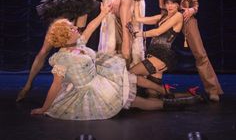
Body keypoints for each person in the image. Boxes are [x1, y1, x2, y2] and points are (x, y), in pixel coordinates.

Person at [31, 16, 198, 120]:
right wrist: (44, 108)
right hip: (94, 91)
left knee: (132, 81)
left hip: (101, 79)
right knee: (136, 101)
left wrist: (104, 13)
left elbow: (90, 27)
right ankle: (177, 103)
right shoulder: (62, 58)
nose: (75, 28)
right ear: (65, 36)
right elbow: (55, 85)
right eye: (71, 28)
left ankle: (174, 96)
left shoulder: (79, 43)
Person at [16, 0, 111, 102]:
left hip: (71, 16)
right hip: (55, 17)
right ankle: (28, 85)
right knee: (44, 51)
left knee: (74, 52)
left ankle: (73, 88)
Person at [144, 0, 223, 102]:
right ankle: (151, 87)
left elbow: (195, 4)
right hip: (166, 16)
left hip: (185, 17)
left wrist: (192, 10)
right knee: (156, 50)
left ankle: (213, 89)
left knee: (200, 53)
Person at [129, 0, 183, 97]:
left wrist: (138, 34)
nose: (170, 6)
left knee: (130, 74)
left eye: (173, 3)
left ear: (178, 4)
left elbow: (158, 32)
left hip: (161, 56)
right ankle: (188, 97)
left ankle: (163, 90)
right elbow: (139, 18)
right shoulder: (162, 17)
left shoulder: (178, 16)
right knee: (152, 95)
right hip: (154, 54)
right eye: (168, 3)